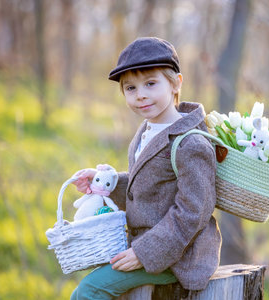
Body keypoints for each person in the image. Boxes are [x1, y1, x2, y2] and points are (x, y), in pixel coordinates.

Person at [70, 37, 221, 300]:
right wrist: (106, 182)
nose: (140, 94)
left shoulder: (191, 142)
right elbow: (148, 187)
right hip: (146, 245)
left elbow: (192, 212)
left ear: (176, 84)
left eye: (151, 84)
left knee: (90, 290)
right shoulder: (148, 130)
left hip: (178, 256)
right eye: (130, 88)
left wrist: (144, 252)